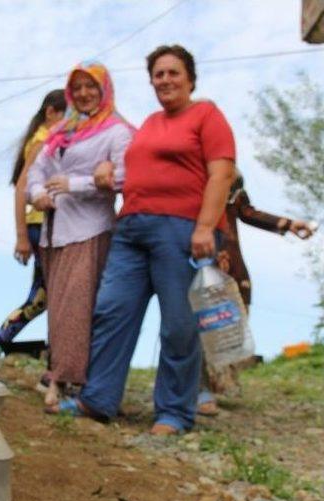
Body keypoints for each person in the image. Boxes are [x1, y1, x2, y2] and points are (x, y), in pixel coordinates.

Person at [60, 45, 236, 435]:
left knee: (178, 324)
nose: (166, 80)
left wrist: (206, 227)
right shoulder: (150, 123)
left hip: (183, 230)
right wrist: (108, 167)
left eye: (173, 73)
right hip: (132, 229)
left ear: (190, 78)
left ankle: (174, 412)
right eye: (158, 74)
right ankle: (98, 398)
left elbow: (222, 174)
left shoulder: (207, 114)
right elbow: (127, 166)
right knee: (111, 310)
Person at [25, 61, 134, 407]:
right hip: (53, 231)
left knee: (77, 306)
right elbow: (36, 172)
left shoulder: (117, 131)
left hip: (90, 229)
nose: (85, 94)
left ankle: (70, 380)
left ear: (105, 90)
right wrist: (37, 194)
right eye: (79, 87)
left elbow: (125, 176)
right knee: (58, 306)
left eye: (92, 86)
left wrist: (75, 184)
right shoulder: (63, 131)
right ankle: (59, 372)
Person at [0, 89, 67, 379]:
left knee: (47, 298)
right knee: (44, 298)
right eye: (68, 114)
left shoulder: (46, 138)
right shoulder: (44, 139)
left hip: (47, 224)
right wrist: (21, 234)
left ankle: (52, 368)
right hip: (42, 224)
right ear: (51, 113)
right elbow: (23, 186)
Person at [197, 171, 316, 415]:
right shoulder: (190, 177)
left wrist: (289, 224)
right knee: (194, 324)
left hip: (231, 263)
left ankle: (216, 383)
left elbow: (249, 213)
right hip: (195, 256)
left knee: (229, 323)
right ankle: (197, 390)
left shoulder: (231, 182)